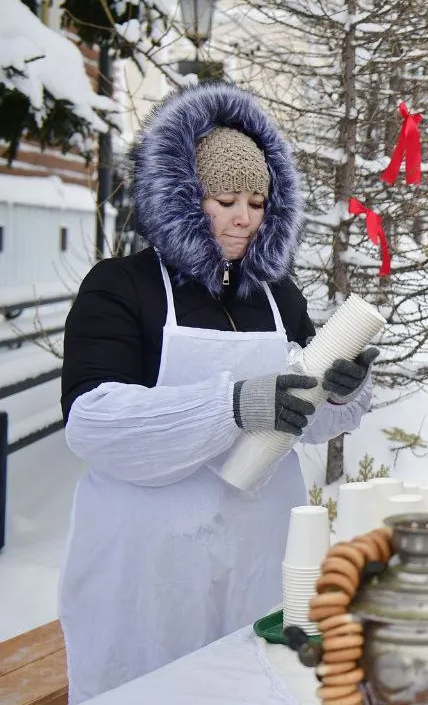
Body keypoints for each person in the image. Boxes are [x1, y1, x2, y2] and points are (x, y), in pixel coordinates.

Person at [58, 82, 376, 702]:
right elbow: (94, 421)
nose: (244, 217)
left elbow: (304, 417)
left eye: (257, 202)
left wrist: (339, 393)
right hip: (149, 569)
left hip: (259, 557)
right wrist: (231, 404)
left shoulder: (276, 297)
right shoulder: (121, 287)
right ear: (183, 198)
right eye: (225, 198)